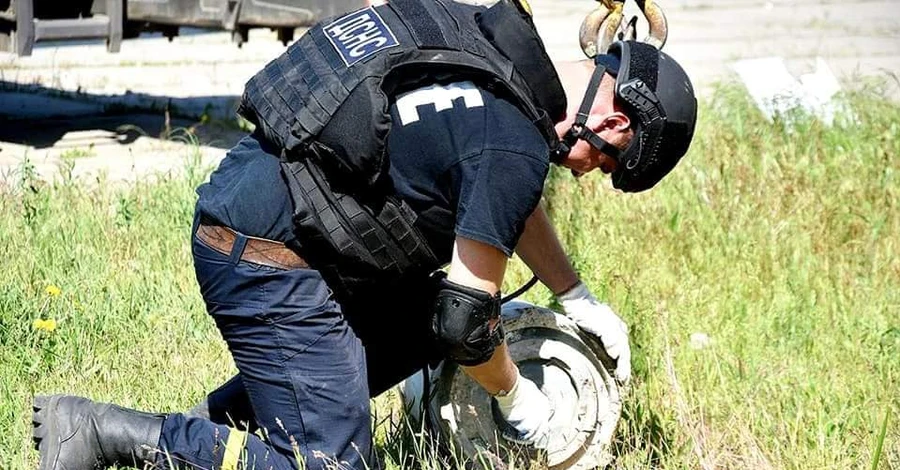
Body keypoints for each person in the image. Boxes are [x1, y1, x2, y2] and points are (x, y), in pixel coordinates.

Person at [31, 1, 697, 469]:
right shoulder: (516, 145)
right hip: (268, 256)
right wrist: (517, 397)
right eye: (606, 163)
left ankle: (204, 438)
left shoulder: (492, 54)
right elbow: (467, 321)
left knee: (421, 329)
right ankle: (105, 432)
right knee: (330, 467)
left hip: (265, 204)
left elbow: (502, 204)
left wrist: (575, 294)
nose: (587, 172)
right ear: (615, 126)